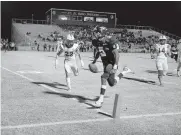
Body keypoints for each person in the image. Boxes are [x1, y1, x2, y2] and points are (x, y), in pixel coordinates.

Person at [91, 26, 133, 108]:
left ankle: (100, 100)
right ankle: (125, 72)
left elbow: (116, 54)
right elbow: (99, 51)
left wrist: (115, 66)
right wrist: (95, 60)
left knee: (103, 77)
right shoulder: (96, 42)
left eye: (97, 32)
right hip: (105, 62)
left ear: (101, 33)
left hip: (111, 62)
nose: (95, 34)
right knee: (112, 83)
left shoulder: (110, 40)